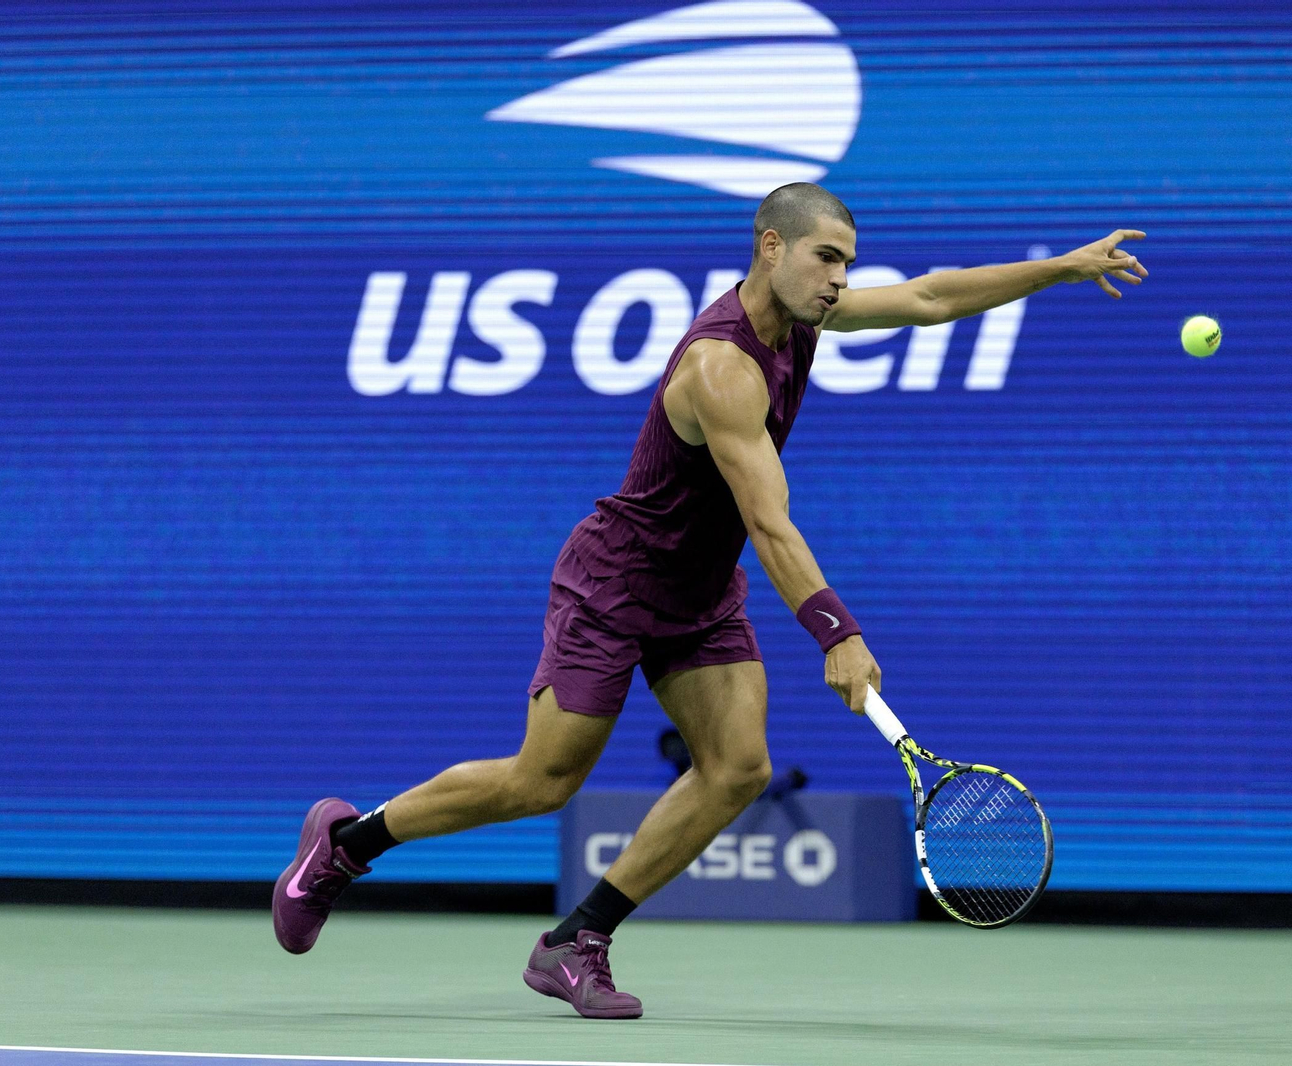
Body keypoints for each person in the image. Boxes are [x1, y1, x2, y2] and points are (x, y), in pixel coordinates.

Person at [272, 183, 1147, 1019]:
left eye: (848, 263)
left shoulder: (806, 316)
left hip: (700, 589)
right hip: (616, 583)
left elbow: (927, 297)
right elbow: (769, 522)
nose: (841, 280)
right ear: (772, 248)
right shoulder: (722, 368)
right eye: (827, 259)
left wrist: (1061, 268)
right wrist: (835, 631)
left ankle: (577, 941)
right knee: (542, 781)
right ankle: (346, 845)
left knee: (738, 768)